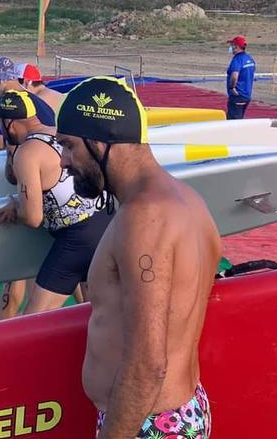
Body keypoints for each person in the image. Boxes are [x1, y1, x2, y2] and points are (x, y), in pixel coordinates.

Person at [55, 76, 222, 439]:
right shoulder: (187, 198)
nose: (65, 162)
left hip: (146, 423)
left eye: (68, 146)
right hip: (169, 412)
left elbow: (148, 363)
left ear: (99, 141)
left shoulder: (144, 218)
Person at [0, 89, 112, 318]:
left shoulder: (27, 153)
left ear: (10, 123)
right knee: (95, 313)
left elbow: (32, 217)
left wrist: (15, 207)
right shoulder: (57, 133)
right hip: (104, 221)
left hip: (78, 237)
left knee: (34, 320)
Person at [226, 36, 256, 120]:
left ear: (236, 46)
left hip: (237, 95)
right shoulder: (249, 59)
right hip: (246, 94)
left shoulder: (237, 60)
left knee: (233, 122)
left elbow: (234, 75)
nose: (231, 47)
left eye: (232, 45)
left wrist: (232, 87)